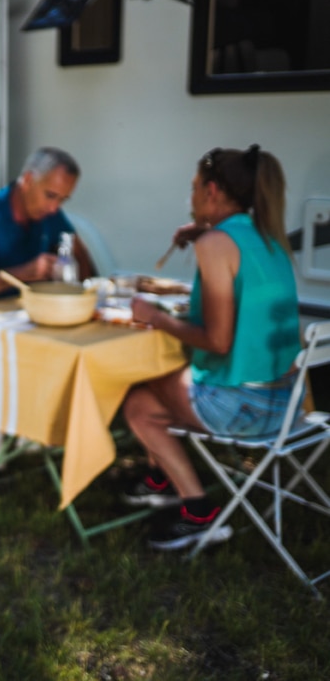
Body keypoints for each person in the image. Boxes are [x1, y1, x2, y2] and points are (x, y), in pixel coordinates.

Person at [120, 145, 300, 551]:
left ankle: (198, 511)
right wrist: (203, 232)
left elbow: (217, 340)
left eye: (195, 188)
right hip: (290, 402)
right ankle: (163, 484)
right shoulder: (267, 235)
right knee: (142, 405)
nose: (192, 197)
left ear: (212, 190)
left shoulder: (216, 245)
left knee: (139, 388)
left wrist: (157, 317)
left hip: (246, 408)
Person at [0, 146, 96, 303]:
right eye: (50, 195)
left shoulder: (51, 214)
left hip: (22, 314)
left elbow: (81, 255)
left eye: (62, 200)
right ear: (27, 180)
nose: (54, 208)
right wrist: (22, 273)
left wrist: (68, 266)